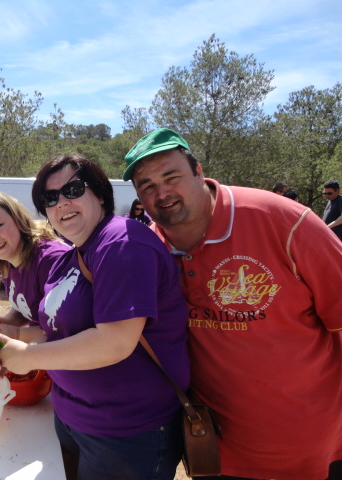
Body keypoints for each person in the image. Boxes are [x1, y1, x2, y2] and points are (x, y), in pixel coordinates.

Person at [123, 128, 342, 480]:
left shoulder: (281, 220)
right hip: (215, 450)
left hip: (309, 447)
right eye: (146, 186)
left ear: (198, 171)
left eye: (171, 176)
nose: (161, 193)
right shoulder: (148, 248)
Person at [0, 155, 190, 480]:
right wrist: (13, 344)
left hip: (125, 433)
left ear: (99, 193)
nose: (62, 203)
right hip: (72, 418)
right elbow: (58, 332)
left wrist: (28, 357)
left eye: (72, 189)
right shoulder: (71, 255)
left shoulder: (121, 243)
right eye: (50, 198)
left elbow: (114, 343)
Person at [0, 190, 71, 327]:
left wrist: (17, 334)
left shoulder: (51, 260)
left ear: (18, 220)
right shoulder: (8, 262)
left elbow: (65, 329)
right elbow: (30, 303)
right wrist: (8, 321)